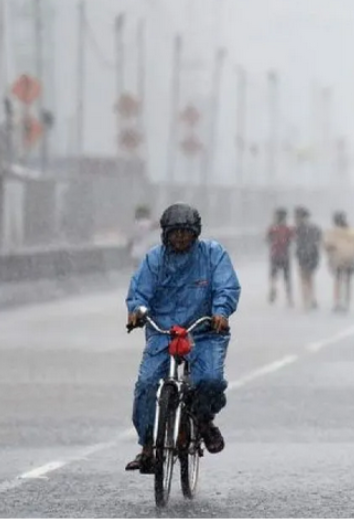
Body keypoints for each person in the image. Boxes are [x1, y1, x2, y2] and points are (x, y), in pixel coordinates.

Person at [124, 203, 241, 473]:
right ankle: (147, 448)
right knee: (146, 384)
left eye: (185, 233)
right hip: (163, 333)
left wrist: (220, 312)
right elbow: (139, 292)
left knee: (209, 380)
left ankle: (203, 420)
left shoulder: (213, 255)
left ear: (196, 233)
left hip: (205, 332)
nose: (179, 238)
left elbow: (227, 286)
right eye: (174, 233)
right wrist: (136, 312)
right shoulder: (154, 260)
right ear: (165, 234)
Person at [324, 211, 354, 312]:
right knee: (348, 281)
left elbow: (327, 246)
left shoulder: (333, 232)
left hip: (338, 259)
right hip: (350, 259)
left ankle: (337, 302)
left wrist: (330, 255)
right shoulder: (353, 231)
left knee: (338, 281)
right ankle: (346, 302)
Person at [294, 206, 322, 311]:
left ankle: (306, 300)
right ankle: (312, 298)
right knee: (310, 278)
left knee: (304, 278)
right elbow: (319, 240)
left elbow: (296, 242)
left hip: (303, 255)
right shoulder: (315, 228)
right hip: (313, 255)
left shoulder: (298, 229)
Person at [266, 208, 295, 307]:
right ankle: (289, 297)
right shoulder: (287, 229)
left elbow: (267, 240)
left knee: (273, 275)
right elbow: (292, 240)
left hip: (275, 255)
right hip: (285, 255)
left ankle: (273, 289)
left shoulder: (272, 228)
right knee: (287, 277)